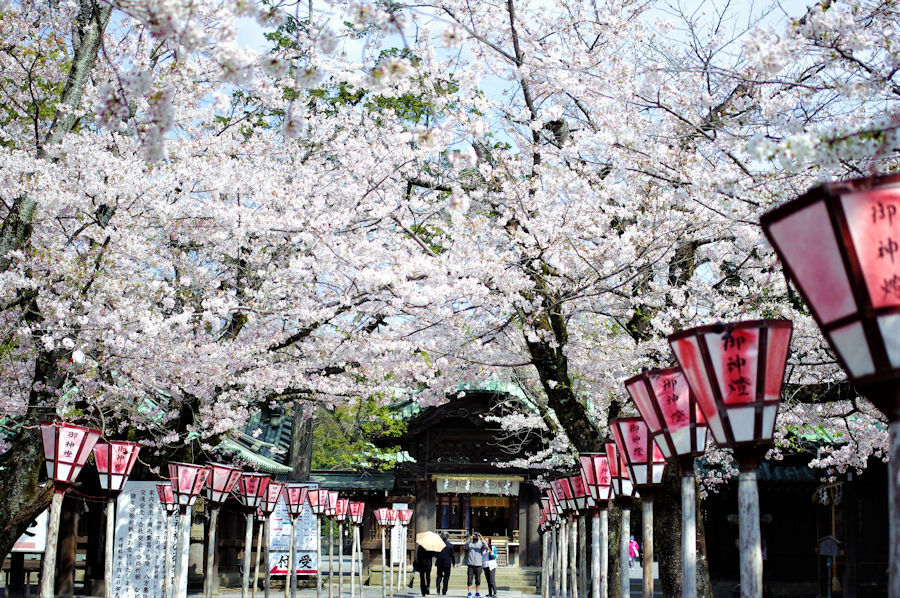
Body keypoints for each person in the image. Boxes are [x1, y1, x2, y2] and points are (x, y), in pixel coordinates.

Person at [463, 531, 487, 597]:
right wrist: (469, 539)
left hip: (478, 565)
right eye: (475, 537)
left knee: (478, 579)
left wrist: (481, 537)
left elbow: (486, 546)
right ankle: (469, 592)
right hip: (470, 564)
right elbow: (464, 546)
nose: (475, 538)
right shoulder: (470, 544)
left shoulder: (480, 544)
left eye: (476, 537)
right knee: (469, 579)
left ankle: (477, 592)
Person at [435, 531, 456, 595]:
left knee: (439, 576)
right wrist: (454, 563)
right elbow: (452, 555)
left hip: (439, 562)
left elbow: (436, 554)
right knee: (446, 577)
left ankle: (438, 587)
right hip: (447, 563)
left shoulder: (438, 545)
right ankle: (444, 591)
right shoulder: (450, 545)